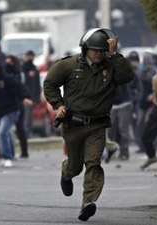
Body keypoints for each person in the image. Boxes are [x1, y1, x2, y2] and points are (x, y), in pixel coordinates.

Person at [43, 28, 133, 221]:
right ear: (85, 49)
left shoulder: (111, 66)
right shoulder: (68, 65)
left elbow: (127, 77)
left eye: (102, 50)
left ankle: (88, 202)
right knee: (76, 166)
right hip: (73, 125)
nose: (99, 53)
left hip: (97, 125)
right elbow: (49, 83)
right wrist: (58, 106)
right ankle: (67, 173)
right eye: (95, 50)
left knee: (93, 162)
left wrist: (115, 54)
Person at [5, 55, 29, 158]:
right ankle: (9, 152)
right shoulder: (4, 74)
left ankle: (24, 151)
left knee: (19, 128)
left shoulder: (18, 74)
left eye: (10, 63)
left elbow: (20, 86)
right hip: (7, 103)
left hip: (18, 103)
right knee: (6, 129)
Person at [135, 53, 157, 153]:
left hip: (152, 103)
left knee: (149, 123)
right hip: (142, 102)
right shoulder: (140, 72)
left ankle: (153, 145)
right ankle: (141, 146)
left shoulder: (155, 72)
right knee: (140, 125)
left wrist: (153, 94)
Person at [22, 50, 41, 137]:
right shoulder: (23, 69)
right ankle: (25, 132)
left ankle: (28, 131)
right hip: (25, 96)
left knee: (29, 115)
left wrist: (37, 97)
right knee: (26, 115)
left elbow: (37, 85)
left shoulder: (35, 69)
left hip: (32, 96)